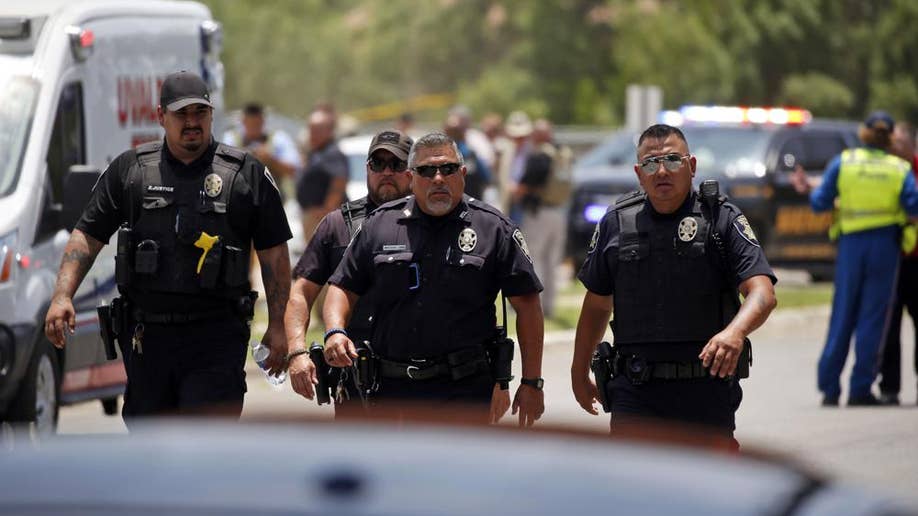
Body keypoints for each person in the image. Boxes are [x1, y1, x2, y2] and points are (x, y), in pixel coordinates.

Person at [44, 71, 292, 422]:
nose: (192, 122)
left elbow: (274, 253)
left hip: (216, 336)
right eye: (181, 114)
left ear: (210, 115)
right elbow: (88, 234)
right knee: (150, 449)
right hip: (148, 339)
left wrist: (280, 326)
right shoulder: (131, 171)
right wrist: (62, 295)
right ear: (161, 116)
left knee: (204, 445)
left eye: (200, 112)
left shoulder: (245, 174)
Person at [571, 124, 776, 448]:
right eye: (651, 163)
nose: (662, 171)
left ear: (691, 166)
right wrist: (578, 370)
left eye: (672, 160)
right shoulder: (616, 222)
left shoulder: (721, 217)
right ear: (639, 173)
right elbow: (597, 304)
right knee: (633, 491)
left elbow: (762, 291)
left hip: (704, 392)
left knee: (708, 491)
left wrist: (735, 333)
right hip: (634, 391)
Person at [322, 132, 545, 426]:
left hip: (464, 391)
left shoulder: (493, 228)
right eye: (427, 171)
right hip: (391, 391)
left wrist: (531, 383)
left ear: (462, 174)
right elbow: (342, 287)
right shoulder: (380, 225)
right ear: (412, 177)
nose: (438, 178)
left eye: (448, 169)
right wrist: (334, 331)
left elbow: (527, 304)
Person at [284, 129, 419, 412]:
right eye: (377, 164)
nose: (386, 172)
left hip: (419, 378)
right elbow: (301, 291)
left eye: (396, 165)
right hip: (357, 377)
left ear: (412, 171)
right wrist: (297, 351)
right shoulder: (338, 225)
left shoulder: (430, 223)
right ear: (367, 169)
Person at [791, 111, 918, 406]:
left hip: (851, 247)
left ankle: (829, 388)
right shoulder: (899, 169)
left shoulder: (844, 162)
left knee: (842, 316)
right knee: (873, 318)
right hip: (885, 247)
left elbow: (820, 202)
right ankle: (860, 388)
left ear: (864, 133)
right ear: (889, 138)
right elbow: (913, 208)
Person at [515, 119, 572, 318]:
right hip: (559, 212)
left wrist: (515, 196)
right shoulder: (563, 153)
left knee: (534, 258)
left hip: (540, 212)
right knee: (552, 261)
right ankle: (549, 308)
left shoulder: (541, 155)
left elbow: (526, 183)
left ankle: (535, 306)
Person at [879, 121, 918, 405]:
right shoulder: (889, 170)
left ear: (911, 146)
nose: (894, 149)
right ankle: (889, 388)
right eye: (892, 145)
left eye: (899, 144)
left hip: (916, 261)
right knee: (889, 326)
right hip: (892, 260)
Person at [296, 108, 349, 245]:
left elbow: (339, 181)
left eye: (317, 130)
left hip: (323, 219)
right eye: (311, 129)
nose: (312, 134)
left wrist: (326, 212)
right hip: (314, 217)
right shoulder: (316, 152)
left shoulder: (332, 153)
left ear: (329, 132)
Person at [222, 102, 301, 182]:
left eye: (257, 124)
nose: (254, 128)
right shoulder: (231, 138)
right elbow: (221, 165)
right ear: (243, 121)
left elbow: (293, 170)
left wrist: (270, 160)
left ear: (263, 121)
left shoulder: (278, 139)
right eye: (250, 124)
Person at [444, 112, 493, 200]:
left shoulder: (469, 153)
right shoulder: (468, 152)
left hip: (467, 201)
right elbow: (486, 178)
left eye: (456, 131)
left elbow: (485, 176)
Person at [496, 111, 533, 222]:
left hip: (528, 203)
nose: (519, 138)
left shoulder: (533, 151)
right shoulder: (506, 150)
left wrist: (523, 187)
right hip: (509, 201)